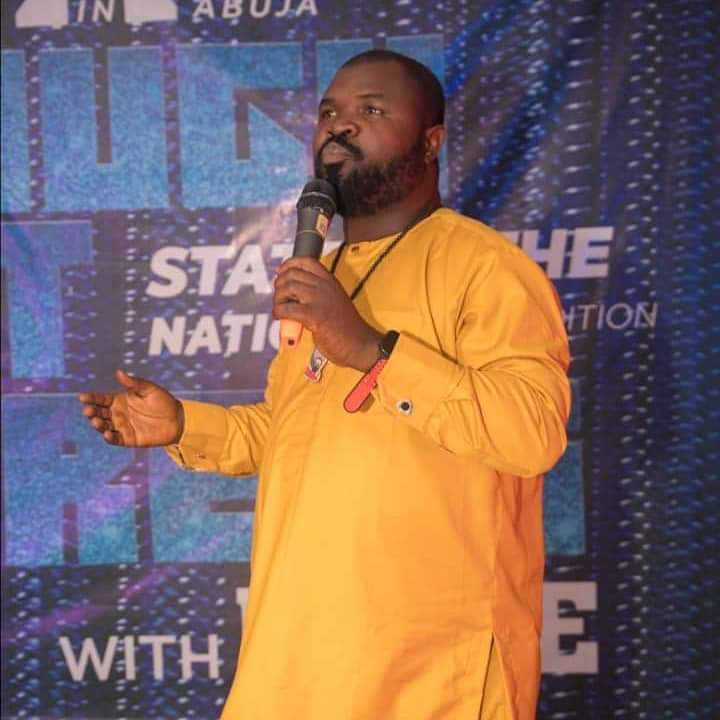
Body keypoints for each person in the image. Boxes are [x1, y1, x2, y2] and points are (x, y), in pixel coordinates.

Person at [80, 50, 570, 720]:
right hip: (298, 657)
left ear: (431, 142)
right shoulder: (324, 275)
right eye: (329, 112)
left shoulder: (485, 268)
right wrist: (185, 425)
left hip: (427, 671)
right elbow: (297, 428)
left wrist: (370, 349)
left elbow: (530, 434)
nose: (340, 125)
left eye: (372, 110)